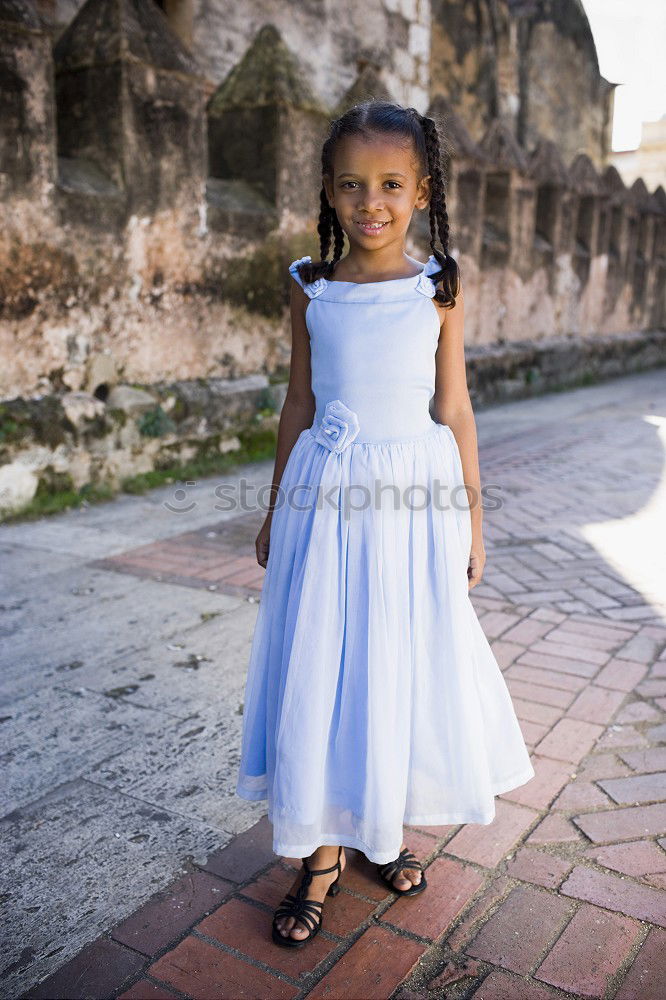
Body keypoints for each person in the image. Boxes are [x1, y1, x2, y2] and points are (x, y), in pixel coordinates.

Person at [234, 99, 534, 948]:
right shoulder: (309, 285)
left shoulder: (439, 284)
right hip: (326, 498)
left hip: (415, 500)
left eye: (392, 184)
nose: (372, 201)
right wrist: (277, 504)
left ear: (423, 191)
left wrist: (473, 524)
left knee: (395, 658)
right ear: (328, 194)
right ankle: (319, 855)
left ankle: (382, 825)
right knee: (326, 658)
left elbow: (456, 406)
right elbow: (298, 402)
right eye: (352, 185)